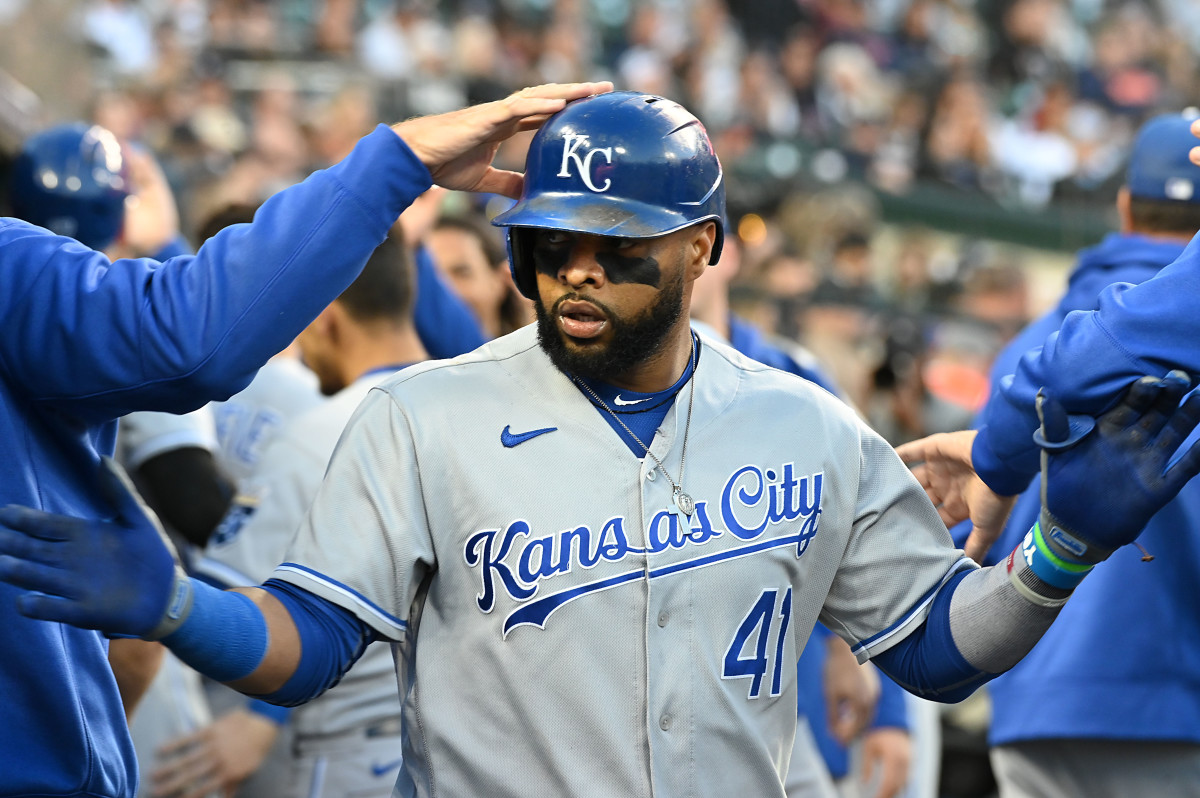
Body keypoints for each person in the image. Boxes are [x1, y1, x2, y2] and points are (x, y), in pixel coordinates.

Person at [1, 90, 1198, 798]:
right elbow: (310, 646)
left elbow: (936, 652)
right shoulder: (421, 415)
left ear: (702, 247)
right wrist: (178, 608)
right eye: (552, 243)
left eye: (619, 247)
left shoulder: (808, 423)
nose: (578, 271)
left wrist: (1059, 554)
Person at [0, 80, 613, 798]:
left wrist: (177, 607)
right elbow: (184, 338)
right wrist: (398, 164)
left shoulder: (353, 421)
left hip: (355, 751)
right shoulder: (474, 415)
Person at [904, 112, 1200, 796]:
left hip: (1033, 699)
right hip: (1175, 707)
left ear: (1123, 206)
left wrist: (993, 457)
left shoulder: (1033, 346)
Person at [159, 233, 424, 798]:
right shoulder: (471, 415)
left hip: (338, 751)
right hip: (444, 751)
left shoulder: (322, 435)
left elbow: (226, 604)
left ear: (326, 319)